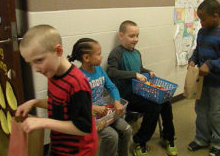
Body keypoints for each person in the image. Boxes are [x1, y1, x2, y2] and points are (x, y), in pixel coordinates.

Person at [15, 25, 98, 156]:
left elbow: (83, 128)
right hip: (60, 145)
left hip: (78, 151)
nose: (35, 69)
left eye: (39, 60)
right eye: (30, 63)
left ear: (58, 51)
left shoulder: (77, 83)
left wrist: (43, 122)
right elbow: (58, 103)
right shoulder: (53, 75)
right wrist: (34, 102)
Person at [107, 20, 178, 156]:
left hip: (140, 91)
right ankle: (139, 141)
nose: (135, 39)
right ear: (121, 36)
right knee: (154, 107)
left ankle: (168, 137)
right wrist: (134, 75)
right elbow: (111, 72)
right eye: (131, 36)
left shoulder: (137, 53)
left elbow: (139, 69)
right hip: (126, 96)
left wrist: (148, 71)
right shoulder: (116, 53)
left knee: (165, 101)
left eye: (137, 36)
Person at [187, 0, 220, 156]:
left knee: (216, 113)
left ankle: (219, 142)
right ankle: (202, 138)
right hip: (202, 82)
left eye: (203, 19)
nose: (201, 22)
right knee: (201, 110)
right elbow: (198, 50)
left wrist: (210, 65)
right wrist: (192, 59)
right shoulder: (202, 32)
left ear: (215, 16)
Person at [68, 38, 132, 156]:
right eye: (98, 54)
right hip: (88, 117)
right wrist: (93, 108)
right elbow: (74, 103)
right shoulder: (78, 76)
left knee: (127, 130)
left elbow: (111, 87)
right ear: (86, 58)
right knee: (112, 137)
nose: (101, 57)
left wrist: (117, 101)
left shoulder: (99, 70)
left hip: (104, 113)